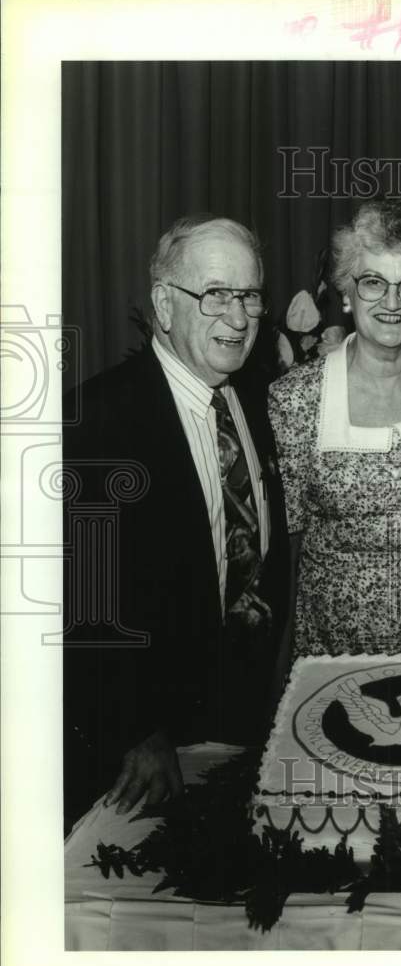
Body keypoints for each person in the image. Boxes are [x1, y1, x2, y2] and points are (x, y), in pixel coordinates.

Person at [62, 215, 290, 823]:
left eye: (248, 297)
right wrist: (135, 729)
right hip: (141, 756)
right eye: (215, 295)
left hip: (242, 726)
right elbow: (80, 600)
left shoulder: (260, 402)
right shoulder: (95, 421)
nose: (238, 319)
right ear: (164, 304)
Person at [268, 197, 401, 658]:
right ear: (346, 294)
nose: (391, 302)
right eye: (373, 282)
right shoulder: (294, 399)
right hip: (330, 654)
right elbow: (284, 548)